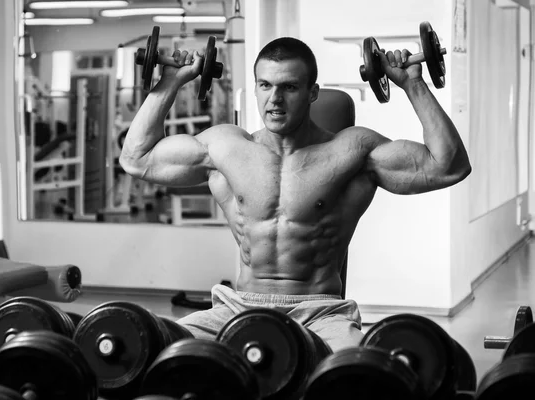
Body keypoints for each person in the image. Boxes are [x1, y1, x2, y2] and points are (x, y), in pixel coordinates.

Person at [119, 37, 471, 351]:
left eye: (289, 87)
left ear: (312, 93)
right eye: (265, 85)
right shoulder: (226, 146)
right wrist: (170, 82)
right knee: (157, 350)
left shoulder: (352, 150)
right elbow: (137, 159)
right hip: (236, 307)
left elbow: (447, 166)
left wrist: (413, 84)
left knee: (353, 376)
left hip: (319, 311)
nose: (275, 99)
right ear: (255, 88)